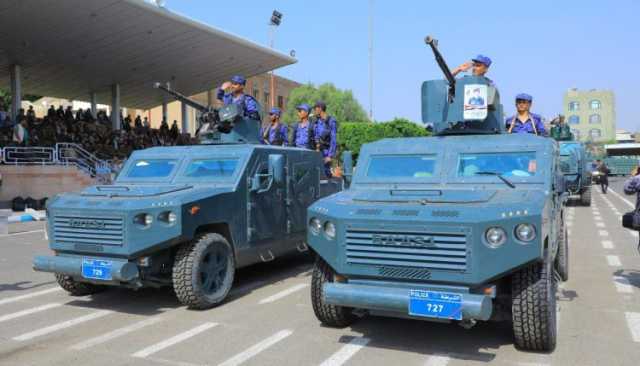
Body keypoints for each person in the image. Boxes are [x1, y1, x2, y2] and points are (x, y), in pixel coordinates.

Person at [313, 101, 338, 178]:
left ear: (320, 108)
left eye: (315, 109)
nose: (314, 111)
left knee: (326, 173)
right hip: (318, 152)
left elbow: (333, 140)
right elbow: (316, 137)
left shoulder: (331, 121)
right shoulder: (317, 122)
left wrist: (330, 156)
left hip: (327, 152)